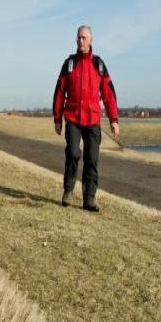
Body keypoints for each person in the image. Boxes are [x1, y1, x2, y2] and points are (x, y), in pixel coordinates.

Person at [52, 25, 119, 212]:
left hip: (92, 120)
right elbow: (59, 92)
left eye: (84, 38)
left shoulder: (99, 64)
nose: (81, 41)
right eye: (78, 38)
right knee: (73, 153)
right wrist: (57, 118)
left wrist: (114, 119)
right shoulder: (69, 64)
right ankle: (68, 190)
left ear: (91, 41)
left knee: (92, 159)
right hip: (73, 118)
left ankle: (89, 198)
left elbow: (109, 93)